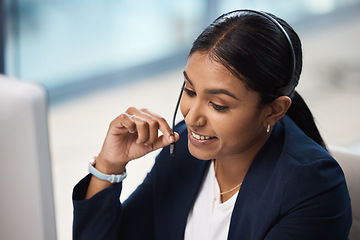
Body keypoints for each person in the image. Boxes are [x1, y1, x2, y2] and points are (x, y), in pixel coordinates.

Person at [73, 10, 352, 239]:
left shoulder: (311, 186)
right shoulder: (183, 147)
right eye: (190, 91)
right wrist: (109, 166)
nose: (193, 118)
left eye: (218, 105)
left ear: (274, 110)